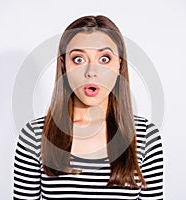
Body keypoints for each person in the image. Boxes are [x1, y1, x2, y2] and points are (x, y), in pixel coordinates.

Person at [13, 15, 164, 200]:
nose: (91, 72)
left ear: (119, 65)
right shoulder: (35, 135)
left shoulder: (145, 136)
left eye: (104, 59)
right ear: (64, 66)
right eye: (78, 59)